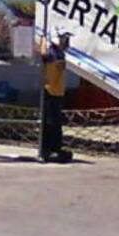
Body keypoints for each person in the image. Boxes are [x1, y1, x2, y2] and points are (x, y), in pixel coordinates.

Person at [39, 27, 72, 163]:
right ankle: (47, 150)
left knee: (56, 123)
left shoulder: (60, 53)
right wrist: (43, 39)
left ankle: (56, 148)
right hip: (50, 91)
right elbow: (43, 54)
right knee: (49, 123)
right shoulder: (52, 52)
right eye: (63, 38)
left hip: (58, 91)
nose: (66, 41)